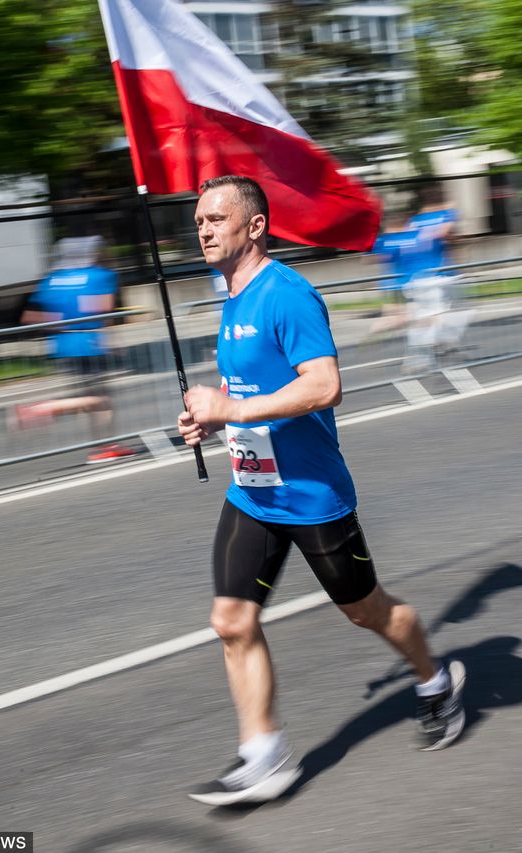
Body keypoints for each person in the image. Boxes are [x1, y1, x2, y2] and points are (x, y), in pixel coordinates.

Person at [177, 176, 466, 807]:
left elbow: (325, 386)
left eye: (216, 218)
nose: (202, 228)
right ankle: (264, 754)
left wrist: (228, 408)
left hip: (312, 495)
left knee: (366, 612)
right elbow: (249, 396)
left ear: (254, 226)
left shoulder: (288, 295)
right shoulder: (231, 297)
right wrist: (210, 416)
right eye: (198, 219)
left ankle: (435, 678)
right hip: (254, 493)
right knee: (231, 621)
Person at [16, 236, 136, 464]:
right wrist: (110, 337)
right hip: (90, 344)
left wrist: (64, 321)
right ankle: (41, 410)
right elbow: (103, 310)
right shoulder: (100, 275)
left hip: (62, 347)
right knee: (98, 400)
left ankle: (104, 446)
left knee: (95, 400)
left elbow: (30, 317)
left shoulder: (52, 279)